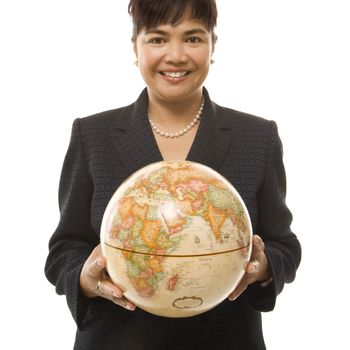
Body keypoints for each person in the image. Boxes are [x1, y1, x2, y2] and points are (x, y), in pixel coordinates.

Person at [45, 0, 301, 349]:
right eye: (157, 39)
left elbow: (284, 244)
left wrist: (264, 265)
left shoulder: (257, 137)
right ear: (135, 46)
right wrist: (85, 280)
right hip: (119, 340)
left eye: (193, 38)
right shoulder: (93, 135)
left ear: (213, 46)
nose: (176, 55)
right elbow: (65, 248)